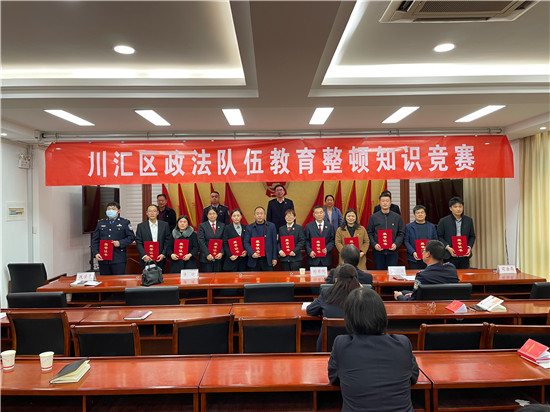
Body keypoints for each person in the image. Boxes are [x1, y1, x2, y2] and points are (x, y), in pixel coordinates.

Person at [328, 287, 419, 412]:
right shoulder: (402, 342)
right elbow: (413, 377)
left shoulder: (341, 344)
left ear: (349, 318)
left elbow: (333, 378)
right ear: (382, 314)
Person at [307, 264, 362, 351]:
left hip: (327, 347)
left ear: (337, 279)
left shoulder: (327, 292)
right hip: (355, 348)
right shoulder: (362, 295)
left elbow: (310, 310)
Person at [394, 240, 459, 301]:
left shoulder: (422, 276)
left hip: (429, 306)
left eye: (423, 250)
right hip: (448, 304)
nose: (422, 253)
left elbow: (413, 300)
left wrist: (399, 296)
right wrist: (413, 294)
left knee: (400, 293)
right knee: (404, 292)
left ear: (428, 254)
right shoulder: (451, 268)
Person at [91, 201, 135, 275]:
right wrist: (96, 253)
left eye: (113, 209)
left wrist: (120, 243)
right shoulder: (101, 223)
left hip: (118, 258)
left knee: (118, 280)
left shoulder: (124, 222)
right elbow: (95, 240)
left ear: (118, 211)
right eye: (109, 209)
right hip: (103, 258)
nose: (110, 211)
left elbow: (131, 237)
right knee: (105, 280)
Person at [367, 192, 405, 270]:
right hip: (378, 252)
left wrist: (396, 244)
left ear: (390, 203)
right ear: (379, 202)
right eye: (383, 201)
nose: (385, 203)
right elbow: (369, 233)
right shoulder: (373, 217)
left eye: (387, 201)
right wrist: (374, 244)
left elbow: (401, 233)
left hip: (393, 251)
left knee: (392, 273)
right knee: (379, 273)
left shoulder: (397, 217)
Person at [437, 196, 476, 269]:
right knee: (450, 275)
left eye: (460, 206)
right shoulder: (443, 221)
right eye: (455, 207)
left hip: (464, 255)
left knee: (464, 275)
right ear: (450, 208)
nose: (458, 209)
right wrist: (448, 247)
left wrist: (469, 247)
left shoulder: (468, 220)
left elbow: (472, 236)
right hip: (449, 255)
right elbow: (439, 236)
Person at [135, 204, 172, 272]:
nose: (152, 213)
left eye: (154, 211)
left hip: (160, 258)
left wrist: (163, 254)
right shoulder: (141, 226)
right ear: (147, 213)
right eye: (150, 211)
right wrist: (144, 256)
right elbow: (138, 242)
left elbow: (167, 241)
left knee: (160, 277)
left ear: (157, 213)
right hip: (146, 259)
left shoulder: (164, 225)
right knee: (147, 277)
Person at [404, 205, 438, 270]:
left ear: (425, 214)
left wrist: (430, 252)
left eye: (422, 212)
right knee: (414, 275)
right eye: (417, 213)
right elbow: (406, 241)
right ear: (414, 215)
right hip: (413, 258)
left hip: (429, 258)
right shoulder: (409, 227)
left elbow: (435, 241)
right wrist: (413, 252)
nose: (420, 214)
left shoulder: (431, 226)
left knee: (429, 275)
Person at [244, 206, 278, 271]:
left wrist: (274, 258)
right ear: (254, 215)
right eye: (257, 214)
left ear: (265, 215)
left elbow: (274, 243)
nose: (259, 215)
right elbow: (246, 242)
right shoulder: (249, 227)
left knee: (268, 277)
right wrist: (252, 253)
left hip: (267, 259)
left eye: (261, 213)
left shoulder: (271, 226)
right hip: (254, 259)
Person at [198, 206, 225, 272]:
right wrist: (207, 254)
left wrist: (221, 252)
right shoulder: (202, 226)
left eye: (214, 213)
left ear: (217, 214)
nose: (212, 215)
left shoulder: (222, 225)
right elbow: (201, 241)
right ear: (207, 215)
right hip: (206, 257)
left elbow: (224, 240)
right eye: (210, 214)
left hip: (219, 257)